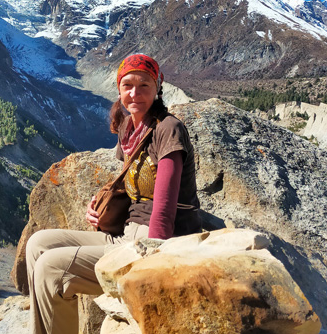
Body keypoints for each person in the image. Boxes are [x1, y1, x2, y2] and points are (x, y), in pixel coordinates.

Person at [26, 54, 201, 334]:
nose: (135, 93)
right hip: (127, 233)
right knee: (38, 243)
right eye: (127, 85)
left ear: (158, 87)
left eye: (144, 85)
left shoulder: (168, 129)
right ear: (118, 89)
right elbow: (129, 182)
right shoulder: (128, 128)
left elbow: (164, 209)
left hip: (158, 242)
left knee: (50, 267)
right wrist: (97, 205)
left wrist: (151, 263)